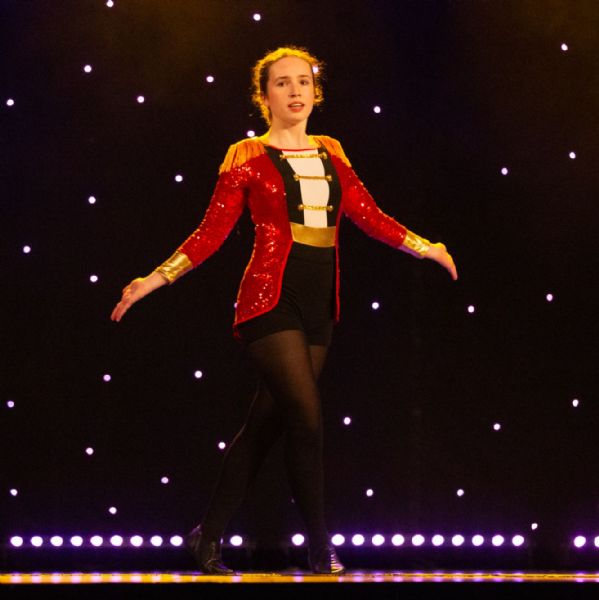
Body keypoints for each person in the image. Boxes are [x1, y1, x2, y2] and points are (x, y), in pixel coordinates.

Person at [111, 46, 458, 575]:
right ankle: (320, 545)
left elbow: (367, 214)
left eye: (304, 82)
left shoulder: (331, 150)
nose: (295, 91)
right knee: (307, 417)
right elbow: (211, 233)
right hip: (268, 299)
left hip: (319, 303)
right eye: (282, 83)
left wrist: (425, 246)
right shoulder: (246, 156)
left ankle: (207, 535)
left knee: (265, 426)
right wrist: (154, 279)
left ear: (316, 92)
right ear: (264, 96)